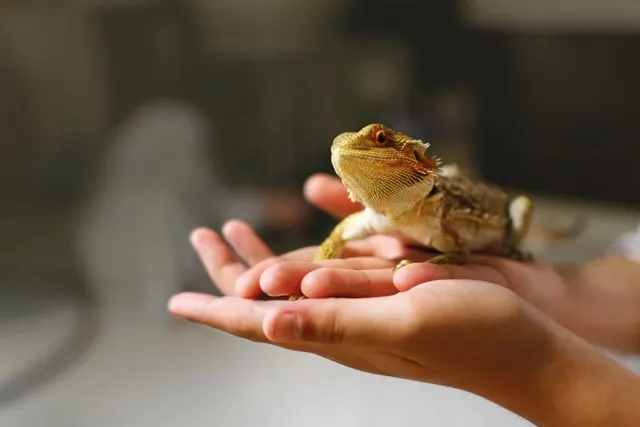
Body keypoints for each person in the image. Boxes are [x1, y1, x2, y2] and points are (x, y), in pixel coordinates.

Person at [168, 173, 640, 426]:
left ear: (410, 159)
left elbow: (452, 248)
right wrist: (558, 291)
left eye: (376, 142)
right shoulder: (377, 214)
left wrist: (539, 369)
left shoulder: (438, 212)